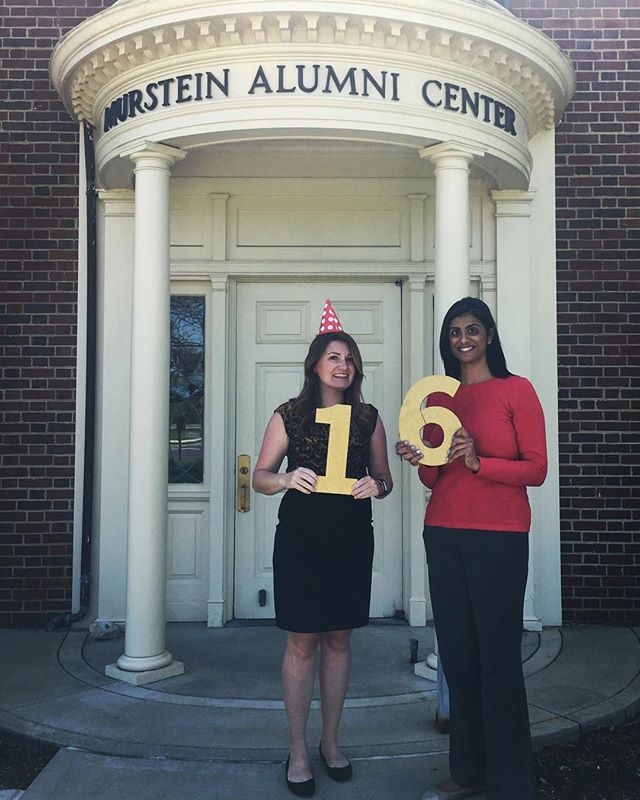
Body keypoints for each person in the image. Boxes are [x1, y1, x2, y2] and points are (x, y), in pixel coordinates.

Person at [397, 297, 547, 800]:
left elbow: (537, 469)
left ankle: (510, 782)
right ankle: (467, 773)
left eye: (472, 329)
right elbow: (433, 476)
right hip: (443, 531)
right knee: (458, 657)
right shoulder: (441, 399)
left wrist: (483, 462)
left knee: (498, 659)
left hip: (500, 537)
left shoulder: (516, 390)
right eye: (455, 332)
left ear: (488, 335)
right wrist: (422, 455)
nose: (463, 339)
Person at [252, 300, 393, 798]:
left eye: (349, 358)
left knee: (338, 640)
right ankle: (297, 750)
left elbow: (386, 477)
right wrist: (288, 476)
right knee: (302, 642)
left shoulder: (368, 417)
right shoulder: (289, 415)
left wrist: (376, 486)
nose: (343, 365)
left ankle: (331, 743)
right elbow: (259, 477)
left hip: (351, 537)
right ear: (315, 364)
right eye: (334, 357)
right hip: (302, 539)